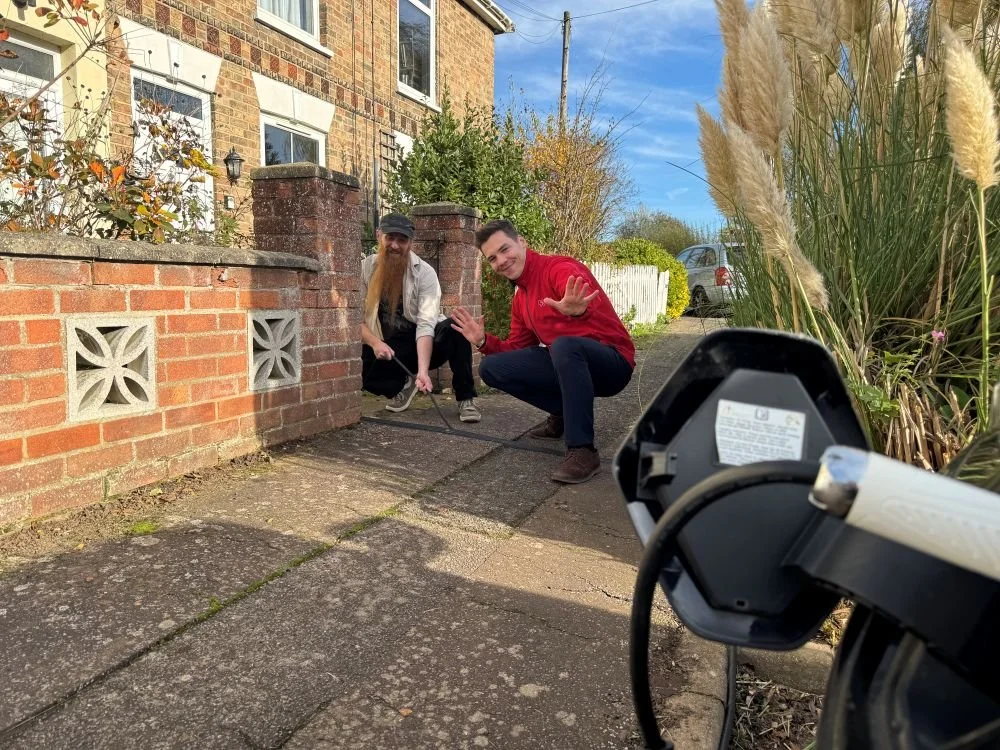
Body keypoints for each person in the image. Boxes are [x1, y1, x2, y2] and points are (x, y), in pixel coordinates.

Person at [450, 219, 635, 484]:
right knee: (491, 368)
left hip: (613, 363)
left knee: (564, 344)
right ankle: (563, 413)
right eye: (492, 258)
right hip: (569, 364)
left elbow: (577, 287)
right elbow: (517, 348)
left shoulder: (558, 268)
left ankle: (583, 450)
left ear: (522, 243)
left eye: (505, 249)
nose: (501, 260)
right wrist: (483, 342)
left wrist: (578, 309)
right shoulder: (521, 299)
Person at [360, 212, 481, 422]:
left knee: (456, 328)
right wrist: (375, 343)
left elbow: (426, 326)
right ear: (379, 236)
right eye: (390, 238)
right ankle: (403, 383)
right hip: (388, 346)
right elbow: (354, 318)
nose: (395, 246)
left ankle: (466, 398)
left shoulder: (424, 273)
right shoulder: (366, 268)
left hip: (425, 342)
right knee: (358, 368)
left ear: (410, 242)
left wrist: (424, 372)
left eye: (402, 240)